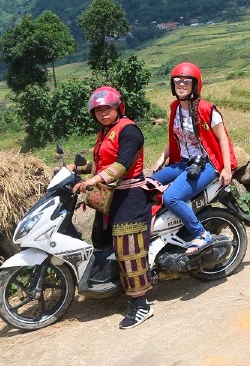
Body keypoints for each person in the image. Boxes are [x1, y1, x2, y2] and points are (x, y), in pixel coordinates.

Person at [72, 86, 154, 329]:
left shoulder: (129, 130)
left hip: (130, 196)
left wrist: (93, 181)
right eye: (98, 110)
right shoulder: (105, 131)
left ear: (118, 108)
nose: (103, 113)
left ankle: (141, 304)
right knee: (100, 240)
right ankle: (120, 285)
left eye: (107, 108)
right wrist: (75, 169)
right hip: (108, 196)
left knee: (127, 249)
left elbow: (121, 165)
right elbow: (100, 163)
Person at [150, 62, 235, 255]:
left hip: (206, 165)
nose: (181, 84)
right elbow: (175, 136)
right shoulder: (175, 108)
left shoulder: (206, 110)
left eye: (186, 81)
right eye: (177, 81)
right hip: (183, 162)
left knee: (172, 197)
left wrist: (226, 168)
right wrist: (162, 157)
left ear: (195, 85)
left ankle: (201, 233)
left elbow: (223, 139)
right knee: (147, 184)